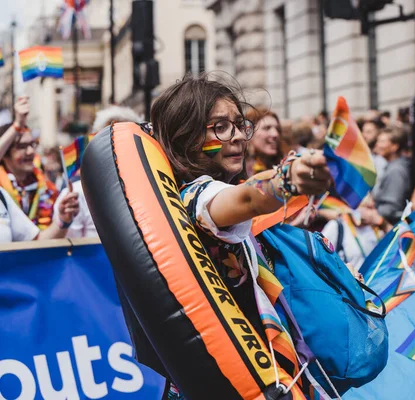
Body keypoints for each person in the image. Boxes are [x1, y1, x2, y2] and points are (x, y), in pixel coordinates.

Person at [150, 73, 332, 397]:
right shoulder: (197, 196)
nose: (236, 136)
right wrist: (287, 180)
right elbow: (249, 198)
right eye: (220, 126)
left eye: (239, 124)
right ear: (186, 137)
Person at [53, 105, 143, 238]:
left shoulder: (151, 189)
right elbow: (69, 251)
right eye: (108, 140)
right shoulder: (77, 196)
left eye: (125, 139)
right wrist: (65, 220)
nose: (116, 148)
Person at [0, 97, 61, 230]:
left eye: (32, 144)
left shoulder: (46, 186)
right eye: (22, 146)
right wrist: (17, 124)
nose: (30, 151)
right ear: (4, 154)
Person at [372, 126, 411, 225]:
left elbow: (391, 207)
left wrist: (371, 213)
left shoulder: (396, 170)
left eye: (382, 141)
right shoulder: (392, 166)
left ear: (394, 146)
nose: (377, 144)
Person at [246, 107, 282, 174]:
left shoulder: (283, 166)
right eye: (267, 128)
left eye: (277, 129)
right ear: (249, 133)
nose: (275, 134)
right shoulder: (238, 170)